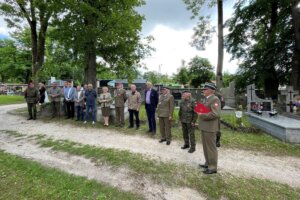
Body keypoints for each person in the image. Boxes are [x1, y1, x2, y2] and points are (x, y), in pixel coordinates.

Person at [197, 83, 221, 174]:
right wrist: (199, 109)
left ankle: (213, 167)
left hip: (210, 127)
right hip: (204, 126)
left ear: (212, 90)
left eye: (206, 89)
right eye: (204, 89)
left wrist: (202, 115)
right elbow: (204, 109)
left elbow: (215, 114)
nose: (204, 90)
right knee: (205, 147)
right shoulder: (206, 99)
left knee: (211, 148)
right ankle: (208, 163)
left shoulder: (215, 99)